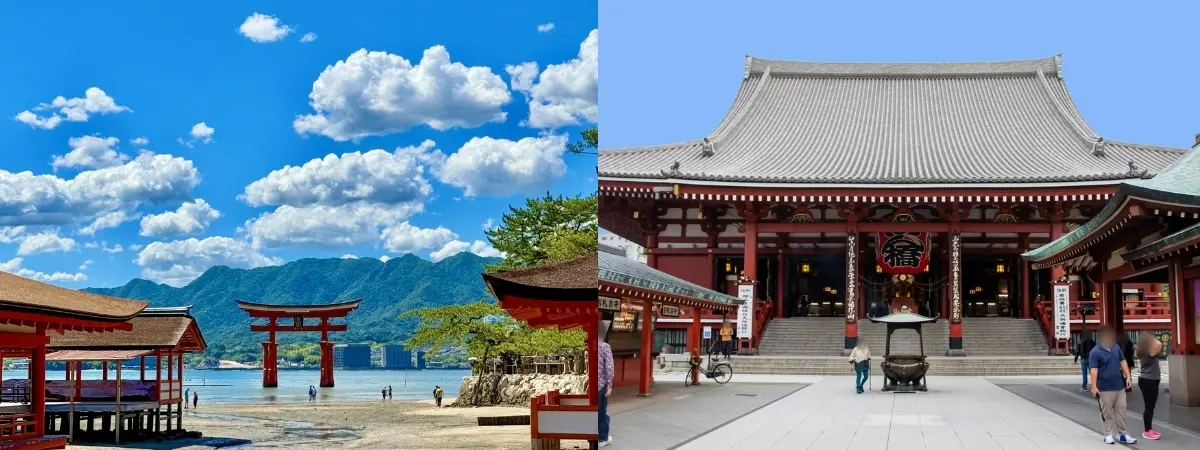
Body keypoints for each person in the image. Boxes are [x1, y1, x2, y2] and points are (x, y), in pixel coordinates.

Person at [1089, 325, 1136, 444]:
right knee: (1106, 412)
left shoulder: (1116, 347)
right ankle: (1108, 434)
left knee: (1121, 410)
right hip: (1104, 387)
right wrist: (1094, 387)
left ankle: (1123, 434)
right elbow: (1094, 370)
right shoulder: (1095, 352)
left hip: (1119, 386)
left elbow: (1123, 361)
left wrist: (1128, 376)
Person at [1136, 333, 1163, 440]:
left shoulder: (1146, 351)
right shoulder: (1149, 352)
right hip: (1148, 381)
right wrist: (1151, 338)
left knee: (1150, 407)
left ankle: (1149, 429)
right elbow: (1159, 344)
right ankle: (1147, 431)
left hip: (1149, 380)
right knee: (1149, 407)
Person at [598, 320, 614, 448]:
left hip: (590, 385)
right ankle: (603, 437)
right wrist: (609, 384)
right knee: (602, 411)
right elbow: (609, 367)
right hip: (601, 384)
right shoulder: (604, 347)